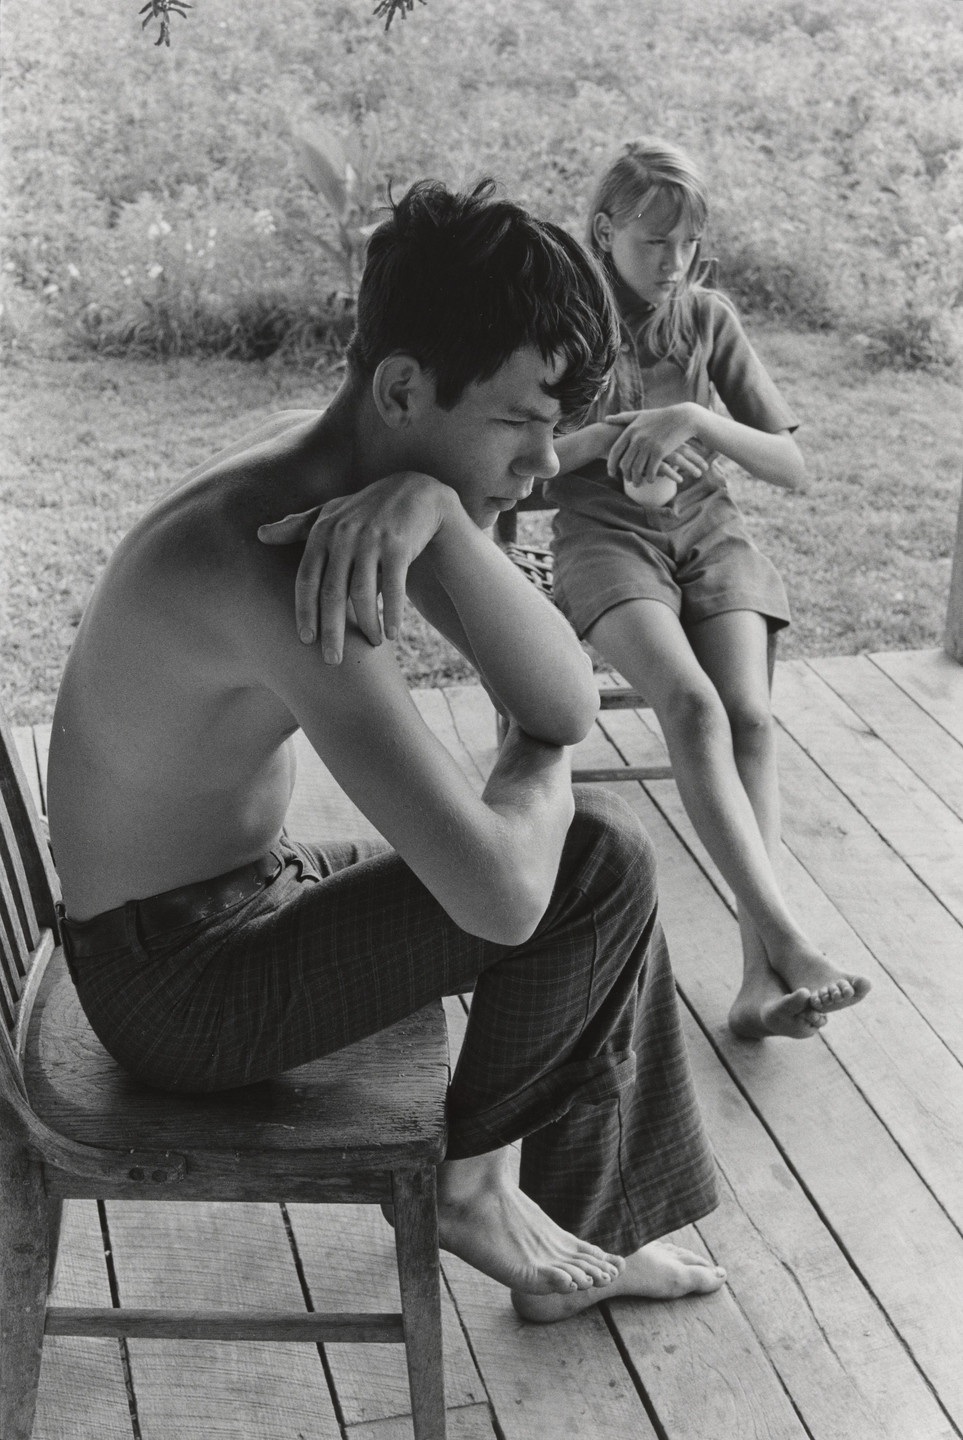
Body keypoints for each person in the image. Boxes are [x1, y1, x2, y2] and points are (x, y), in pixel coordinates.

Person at [48, 180, 725, 1323]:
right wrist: (534, 767)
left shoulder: (354, 477)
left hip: (223, 905)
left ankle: (592, 1226)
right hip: (175, 991)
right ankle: (474, 1191)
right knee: (590, 864)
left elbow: (563, 694)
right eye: (521, 420)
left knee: (588, 860)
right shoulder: (276, 559)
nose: (545, 463)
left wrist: (441, 512)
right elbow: (506, 891)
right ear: (406, 387)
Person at [539, 138, 870, 1040]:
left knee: (750, 718)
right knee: (692, 708)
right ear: (604, 232)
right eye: (655, 243)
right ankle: (788, 939)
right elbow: (515, 472)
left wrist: (697, 419)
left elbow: (792, 466)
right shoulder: (561, 323)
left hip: (708, 534)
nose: (674, 263)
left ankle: (758, 983)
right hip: (604, 540)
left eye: (687, 244)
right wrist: (601, 437)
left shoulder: (706, 318)